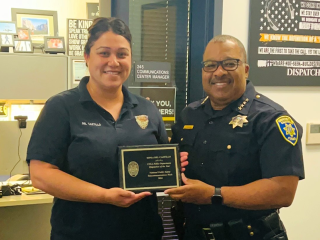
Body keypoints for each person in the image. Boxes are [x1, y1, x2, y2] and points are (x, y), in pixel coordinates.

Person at [27, 17, 167, 240]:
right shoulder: (61, 107)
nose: (114, 62)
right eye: (104, 53)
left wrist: (177, 167)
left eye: (122, 54)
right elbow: (41, 174)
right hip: (80, 233)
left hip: (143, 231)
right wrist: (104, 196)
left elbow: (161, 167)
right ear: (86, 57)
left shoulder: (148, 109)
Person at [165, 35, 304, 240]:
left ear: (245, 70)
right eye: (210, 65)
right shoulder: (190, 114)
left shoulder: (271, 119)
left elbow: (283, 191)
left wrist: (213, 195)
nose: (219, 72)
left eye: (229, 64)